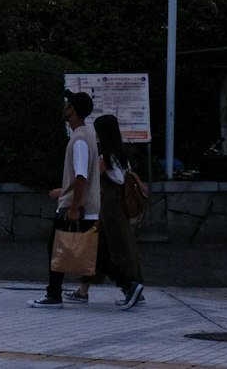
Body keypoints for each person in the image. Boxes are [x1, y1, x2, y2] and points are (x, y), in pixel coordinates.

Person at [29, 89, 101, 307]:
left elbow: (81, 176)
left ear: (74, 110)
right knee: (87, 250)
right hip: (81, 203)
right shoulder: (88, 135)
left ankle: (53, 295)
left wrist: (74, 206)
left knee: (56, 247)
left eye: (68, 105)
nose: (65, 107)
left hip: (74, 206)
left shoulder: (79, 139)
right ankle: (128, 285)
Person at [66, 113, 144, 309]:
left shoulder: (105, 158)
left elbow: (89, 181)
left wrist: (64, 193)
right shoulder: (121, 155)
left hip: (109, 208)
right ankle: (84, 289)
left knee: (116, 249)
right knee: (99, 248)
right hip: (113, 207)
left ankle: (131, 288)